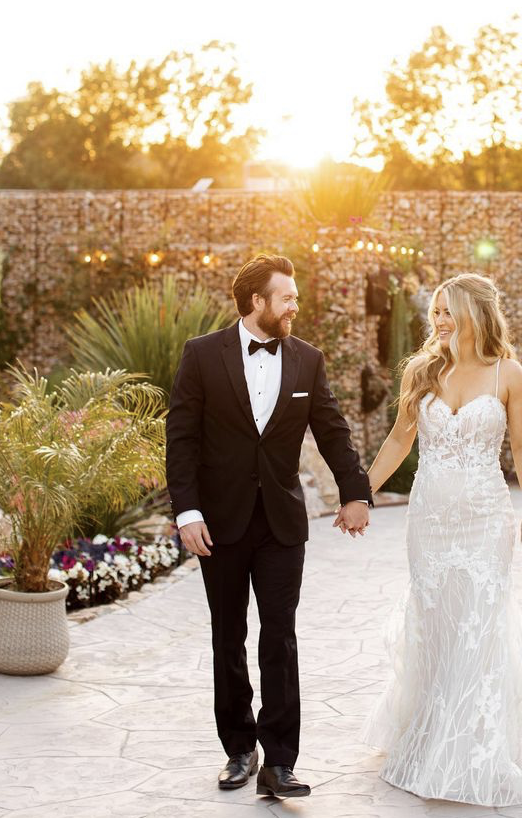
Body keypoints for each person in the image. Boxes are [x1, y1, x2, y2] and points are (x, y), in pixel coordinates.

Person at [166, 253, 372, 798]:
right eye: (287, 297)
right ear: (257, 301)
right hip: (218, 524)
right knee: (227, 636)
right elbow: (181, 438)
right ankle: (238, 749)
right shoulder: (202, 355)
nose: (294, 305)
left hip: (282, 523)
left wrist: (355, 493)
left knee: (279, 638)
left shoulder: (307, 359)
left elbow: (332, 430)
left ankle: (279, 761)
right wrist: (186, 511)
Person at [358, 272, 522, 806]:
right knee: (438, 623)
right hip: (430, 522)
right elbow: (400, 437)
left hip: (486, 520)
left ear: (474, 313)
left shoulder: (508, 373)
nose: (438, 320)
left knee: (479, 625)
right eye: (436, 312)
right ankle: (431, 731)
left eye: (448, 311)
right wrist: (361, 492)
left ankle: (478, 745)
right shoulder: (423, 370)